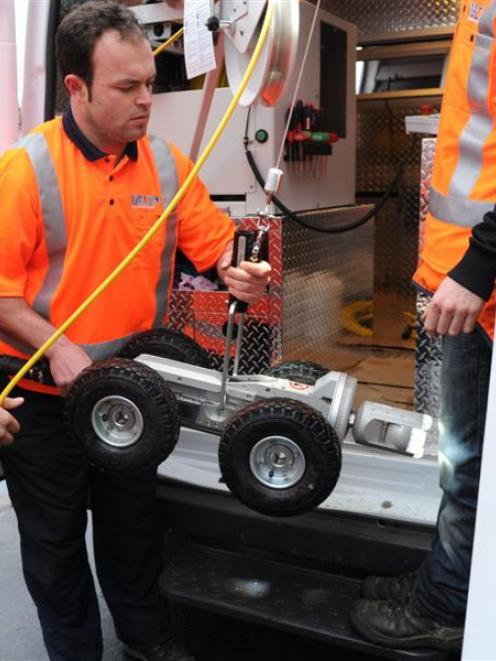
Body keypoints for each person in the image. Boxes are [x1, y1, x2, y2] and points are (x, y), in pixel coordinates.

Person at [0, 3, 270, 661]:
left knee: (133, 530)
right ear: (76, 87)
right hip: (39, 397)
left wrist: (245, 272)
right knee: (56, 543)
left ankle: (147, 642)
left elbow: (219, 248)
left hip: (129, 392)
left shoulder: (168, 164)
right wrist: (58, 345)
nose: (146, 100)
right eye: (127, 87)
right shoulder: (25, 170)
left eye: (149, 83)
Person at [350, 1, 496, 652]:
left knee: (467, 466)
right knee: (459, 460)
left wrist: (482, 263)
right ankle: (448, 579)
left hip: (481, 285)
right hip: (464, 275)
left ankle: (443, 607)